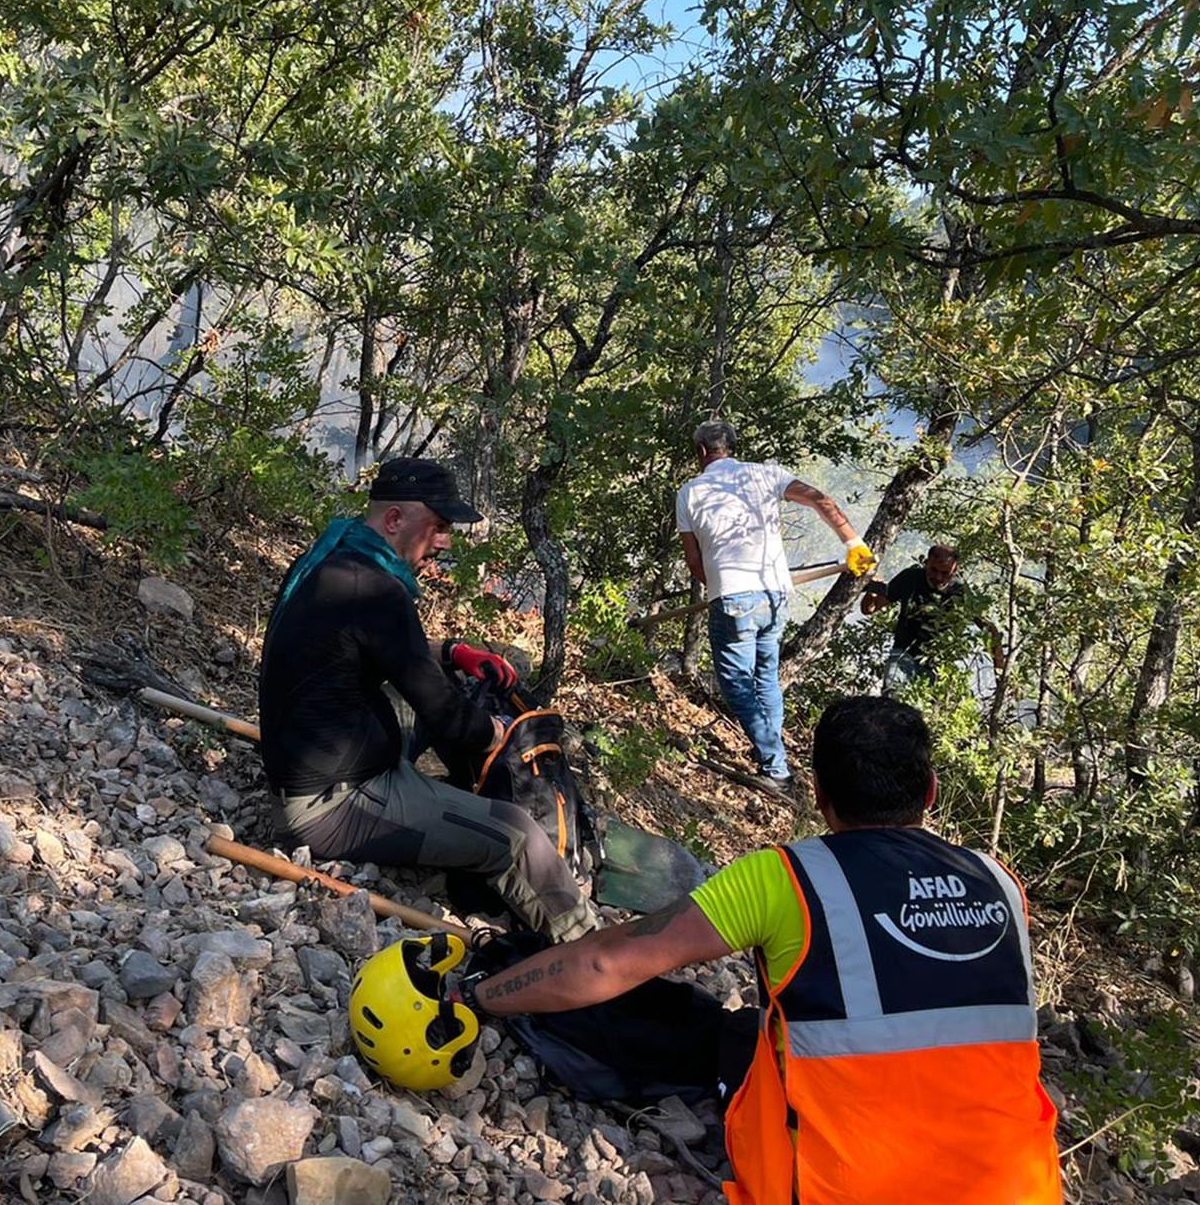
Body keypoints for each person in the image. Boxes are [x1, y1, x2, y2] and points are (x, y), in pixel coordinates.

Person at [426, 697, 1061, 1204]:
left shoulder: (788, 877)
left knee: (695, 1027)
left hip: (840, 1186)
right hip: (1019, 1187)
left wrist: (476, 994)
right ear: (930, 790)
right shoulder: (1000, 883)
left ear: (819, 796)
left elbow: (604, 963)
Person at [258, 456, 599, 941]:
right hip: (334, 806)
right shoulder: (376, 589)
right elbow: (450, 717)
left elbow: (381, 648)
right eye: (438, 526)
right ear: (395, 520)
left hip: (323, 763)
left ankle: (459, 804)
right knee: (519, 836)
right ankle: (589, 950)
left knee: (445, 683)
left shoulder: (336, 556)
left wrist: (454, 653)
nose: (445, 542)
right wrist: (494, 736)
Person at [675, 420, 874, 796]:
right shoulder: (766, 475)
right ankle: (774, 759)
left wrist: (717, 584)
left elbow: (693, 561)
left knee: (736, 685)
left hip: (732, 597)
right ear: (731, 447)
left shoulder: (689, 492)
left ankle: (776, 767)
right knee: (765, 678)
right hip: (775, 594)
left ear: (701, 451)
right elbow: (821, 500)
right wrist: (853, 542)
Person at [860, 543, 1005, 693]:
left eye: (945, 572)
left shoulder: (960, 592)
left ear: (955, 570)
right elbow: (869, 609)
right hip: (903, 652)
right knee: (892, 696)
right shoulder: (910, 578)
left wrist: (1001, 675)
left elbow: (990, 630)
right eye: (933, 570)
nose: (938, 576)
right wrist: (872, 591)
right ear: (926, 563)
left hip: (936, 663)